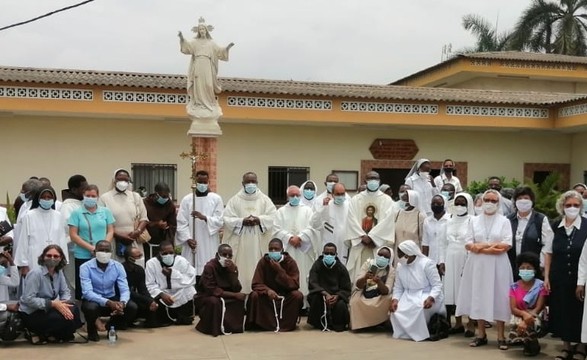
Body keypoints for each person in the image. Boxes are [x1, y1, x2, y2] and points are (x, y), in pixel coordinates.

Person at [456, 189, 513, 350]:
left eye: (493, 201)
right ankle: (481, 334)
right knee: (479, 295)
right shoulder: (473, 221)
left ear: (498, 203)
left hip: (498, 265)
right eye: (487, 199)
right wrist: (490, 247)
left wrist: (482, 247)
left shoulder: (504, 221)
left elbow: (506, 244)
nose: (489, 203)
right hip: (477, 265)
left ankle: (501, 336)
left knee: (500, 296)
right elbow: (468, 243)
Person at [545, 190, 587, 360]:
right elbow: (548, 252)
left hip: (581, 277)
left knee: (580, 312)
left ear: (581, 207)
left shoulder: (586, 224)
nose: (572, 208)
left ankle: (582, 347)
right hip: (559, 275)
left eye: (576, 205)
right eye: (568, 205)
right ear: (562, 207)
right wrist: (546, 277)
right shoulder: (555, 225)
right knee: (562, 310)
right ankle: (566, 347)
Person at [223, 172, 276, 292]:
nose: (251, 184)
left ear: (257, 183)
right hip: (241, 243)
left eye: (253, 182)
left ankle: (257, 294)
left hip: (258, 242)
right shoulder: (235, 200)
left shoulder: (264, 200)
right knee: (242, 269)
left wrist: (259, 220)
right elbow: (227, 218)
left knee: (258, 267)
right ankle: (242, 295)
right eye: (248, 182)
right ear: (243, 183)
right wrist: (242, 221)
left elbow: (273, 216)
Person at [19, 245, 82, 344]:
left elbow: (65, 291)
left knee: (73, 309)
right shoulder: (35, 273)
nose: (52, 258)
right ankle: (36, 331)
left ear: (61, 258)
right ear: (43, 257)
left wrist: (63, 304)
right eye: (49, 255)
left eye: (56, 256)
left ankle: (53, 334)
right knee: (62, 318)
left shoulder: (59, 272)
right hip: (32, 312)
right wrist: (53, 304)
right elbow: (29, 299)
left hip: (47, 308)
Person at [80, 240, 138, 342]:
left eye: (107, 251)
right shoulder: (85, 267)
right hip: (93, 299)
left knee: (132, 307)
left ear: (111, 252)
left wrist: (123, 303)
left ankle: (112, 327)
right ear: (94, 252)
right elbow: (87, 292)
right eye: (101, 250)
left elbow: (124, 289)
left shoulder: (118, 266)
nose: (104, 253)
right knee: (90, 308)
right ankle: (92, 330)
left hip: (111, 297)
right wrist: (107, 302)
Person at [389, 240, 445, 341]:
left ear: (408, 254)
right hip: (408, 294)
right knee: (396, 310)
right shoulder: (400, 266)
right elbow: (398, 287)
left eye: (401, 255)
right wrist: (395, 300)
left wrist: (431, 298)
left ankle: (420, 334)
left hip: (427, 294)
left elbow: (437, 285)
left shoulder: (426, 264)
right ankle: (405, 333)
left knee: (418, 308)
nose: (399, 258)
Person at [273, 185, 319, 307]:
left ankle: (304, 304)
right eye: (292, 195)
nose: (295, 197)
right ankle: (290, 303)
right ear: (287, 196)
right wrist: (289, 238)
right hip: (288, 249)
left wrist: (300, 237)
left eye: (297, 195)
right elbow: (276, 229)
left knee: (304, 275)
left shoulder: (308, 211)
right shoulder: (281, 211)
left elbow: (312, 227)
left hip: (303, 249)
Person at [346, 171, 395, 282]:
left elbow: (388, 221)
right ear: (365, 181)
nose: (373, 181)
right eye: (370, 178)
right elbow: (351, 219)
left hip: (377, 245)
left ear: (379, 181)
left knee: (377, 276)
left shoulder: (387, 200)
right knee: (358, 274)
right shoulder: (356, 199)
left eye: (375, 179)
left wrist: (373, 238)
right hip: (360, 243)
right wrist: (362, 237)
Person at [178, 17, 234, 115]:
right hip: (198, 64)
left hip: (207, 65)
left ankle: (209, 103)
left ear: (206, 30)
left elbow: (220, 51)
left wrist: (227, 48)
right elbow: (187, 47)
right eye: (200, 29)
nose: (202, 31)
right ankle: (198, 104)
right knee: (198, 84)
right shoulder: (195, 42)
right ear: (198, 31)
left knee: (208, 84)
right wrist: (182, 38)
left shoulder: (211, 43)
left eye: (203, 29)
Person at [68, 184, 115, 300]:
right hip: (83, 254)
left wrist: (102, 247)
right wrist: (91, 248)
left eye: (93, 196)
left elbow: (110, 230)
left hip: (103, 254)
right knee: (84, 286)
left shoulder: (105, 212)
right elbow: (73, 235)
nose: (90, 198)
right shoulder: (76, 213)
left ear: (97, 197)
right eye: (87, 195)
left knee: (102, 283)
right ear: (83, 196)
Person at [246, 239, 303, 332]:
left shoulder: (290, 262)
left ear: (282, 250)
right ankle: (262, 324)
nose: (273, 251)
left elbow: (295, 284)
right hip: (267, 296)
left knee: (297, 295)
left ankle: (286, 325)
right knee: (254, 295)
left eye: (276, 249)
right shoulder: (263, 261)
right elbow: (256, 283)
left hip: (285, 295)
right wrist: (267, 291)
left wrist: (280, 271)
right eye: (270, 249)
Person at [176, 170, 224, 281]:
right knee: (190, 271)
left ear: (208, 182)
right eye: (199, 182)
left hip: (209, 240)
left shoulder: (216, 199)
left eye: (204, 182)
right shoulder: (187, 199)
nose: (202, 185)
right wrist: (187, 238)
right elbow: (181, 222)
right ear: (195, 182)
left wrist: (205, 218)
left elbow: (220, 220)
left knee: (209, 270)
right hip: (192, 241)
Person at [439, 192, 475, 336]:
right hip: (449, 258)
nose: (459, 206)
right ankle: (458, 323)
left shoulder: (472, 220)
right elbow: (442, 243)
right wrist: (441, 261)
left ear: (468, 205)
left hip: (465, 258)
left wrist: (470, 260)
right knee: (451, 291)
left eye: (463, 204)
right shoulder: (448, 220)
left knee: (466, 290)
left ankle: (471, 323)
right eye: (457, 203)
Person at [15, 185, 68, 276]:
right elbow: (23, 241)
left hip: (54, 257)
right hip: (34, 256)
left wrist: (64, 260)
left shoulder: (58, 216)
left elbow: (62, 239)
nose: (46, 200)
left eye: (49, 197)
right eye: (43, 197)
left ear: (54, 199)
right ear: (38, 199)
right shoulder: (29, 215)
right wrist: (24, 264)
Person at [195, 244, 246, 336]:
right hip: (208, 295)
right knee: (214, 301)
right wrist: (233, 295)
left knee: (239, 299)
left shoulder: (231, 267)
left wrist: (233, 273)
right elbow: (210, 289)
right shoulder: (210, 267)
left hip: (225, 294)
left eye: (229, 256)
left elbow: (237, 288)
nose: (227, 258)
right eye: (224, 255)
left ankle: (232, 328)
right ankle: (213, 328)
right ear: (217, 255)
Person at [99, 169, 148, 261]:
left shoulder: (136, 197)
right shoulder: (104, 198)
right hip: (114, 240)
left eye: (126, 180)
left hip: (134, 239)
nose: (123, 182)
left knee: (135, 268)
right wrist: (118, 235)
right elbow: (101, 221)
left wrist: (137, 231)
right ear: (114, 180)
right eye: (119, 179)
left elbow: (144, 218)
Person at [145, 241, 196, 326]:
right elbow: (150, 284)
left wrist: (173, 274)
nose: (168, 255)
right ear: (159, 253)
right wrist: (161, 294)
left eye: (171, 253)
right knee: (153, 320)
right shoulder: (151, 263)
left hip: (179, 292)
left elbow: (190, 279)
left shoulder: (181, 261)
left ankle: (184, 316)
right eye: (165, 253)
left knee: (190, 289)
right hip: (162, 293)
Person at [507, 186, 553, 278]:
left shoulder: (540, 219)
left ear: (532, 201)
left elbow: (547, 244)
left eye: (526, 198)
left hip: (533, 269)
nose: (523, 201)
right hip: (511, 268)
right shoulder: (508, 219)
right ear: (515, 202)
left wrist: (541, 264)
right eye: (519, 198)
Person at [508, 252, 547, 355]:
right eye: (523, 267)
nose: (525, 270)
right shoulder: (514, 287)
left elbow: (538, 308)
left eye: (529, 268)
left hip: (536, 315)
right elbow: (513, 308)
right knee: (514, 322)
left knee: (531, 322)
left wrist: (526, 320)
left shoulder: (541, 285)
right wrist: (524, 315)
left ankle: (533, 343)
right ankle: (526, 341)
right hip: (520, 314)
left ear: (535, 269)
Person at [307, 243, 352, 332]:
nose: (329, 256)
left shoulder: (341, 268)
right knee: (315, 298)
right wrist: (325, 293)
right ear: (323, 253)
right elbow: (313, 283)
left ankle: (337, 325)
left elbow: (346, 288)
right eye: (326, 253)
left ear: (336, 255)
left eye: (332, 254)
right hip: (321, 294)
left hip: (336, 296)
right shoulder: (317, 265)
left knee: (341, 305)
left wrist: (337, 296)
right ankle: (318, 324)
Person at [349, 246, 394, 331]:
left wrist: (379, 282)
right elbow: (358, 285)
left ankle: (380, 323)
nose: (382, 258)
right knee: (355, 301)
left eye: (385, 257)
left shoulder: (391, 270)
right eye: (380, 255)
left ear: (390, 259)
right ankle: (361, 325)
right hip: (364, 292)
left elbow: (387, 290)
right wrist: (365, 278)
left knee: (390, 298)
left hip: (380, 295)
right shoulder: (368, 264)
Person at [311, 183, 351, 264]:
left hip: (345, 245)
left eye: (342, 194)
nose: (340, 196)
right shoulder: (327, 205)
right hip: (329, 246)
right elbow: (314, 224)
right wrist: (323, 207)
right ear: (332, 194)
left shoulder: (350, 206)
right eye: (338, 194)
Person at [122, 247, 158, 328]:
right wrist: (147, 300)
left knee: (152, 303)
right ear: (130, 258)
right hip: (122, 296)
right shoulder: (121, 269)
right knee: (133, 306)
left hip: (134, 295)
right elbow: (127, 291)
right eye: (138, 256)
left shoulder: (139, 270)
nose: (141, 258)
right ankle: (123, 323)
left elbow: (143, 289)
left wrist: (151, 301)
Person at [143, 182, 177, 260]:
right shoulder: (145, 203)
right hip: (147, 240)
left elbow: (173, 224)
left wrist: (169, 241)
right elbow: (141, 221)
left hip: (163, 240)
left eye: (167, 196)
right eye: (163, 196)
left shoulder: (169, 205)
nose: (165, 198)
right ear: (156, 194)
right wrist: (156, 224)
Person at [394, 190, 426, 260]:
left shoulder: (420, 216)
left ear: (412, 201)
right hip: (398, 254)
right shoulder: (397, 214)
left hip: (413, 255)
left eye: (405, 200)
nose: (402, 202)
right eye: (402, 199)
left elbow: (423, 239)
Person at [422, 195, 449, 266]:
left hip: (447, 260)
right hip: (431, 260)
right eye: (433, 203)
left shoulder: (450, 220)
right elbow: (425, 243)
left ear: (444, 204)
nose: (435, 205)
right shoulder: (427, 221)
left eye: (439, 203)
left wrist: (443, 261)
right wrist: (424, 261)